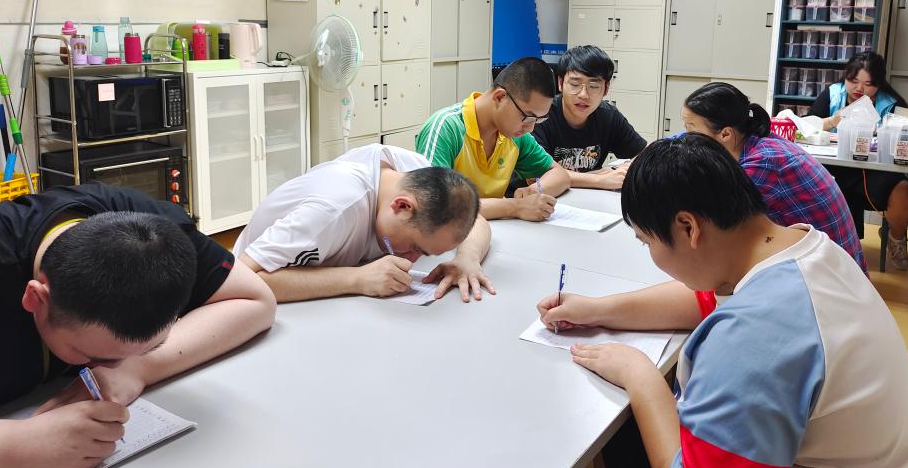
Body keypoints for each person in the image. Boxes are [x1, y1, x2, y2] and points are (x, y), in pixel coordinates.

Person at [538, 135, 908, 468]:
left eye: (647, 242)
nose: (651, 254)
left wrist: (641, 377)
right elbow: (704, 299)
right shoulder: (803, 250)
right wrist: (599, 310)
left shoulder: (757, 329)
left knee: (637, 422)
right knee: (625, 441)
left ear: (688, 228)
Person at [0, 183, 276, 468]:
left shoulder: (146, 231)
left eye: (149, 346)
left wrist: (139, 367)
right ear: (36, 299)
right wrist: (17, 445)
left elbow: (255, 299)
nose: (112, 366)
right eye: (98, 357)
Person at [234, 144, 492, 303]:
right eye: (416, 247)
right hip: (260, 293)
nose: (412, 260)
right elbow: (238, 277)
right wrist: (356, 279)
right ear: (402, 206)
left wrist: (467, 258)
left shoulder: (416, 173)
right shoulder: (333, 208)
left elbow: (472, 219)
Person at [682, 82, 866, 281]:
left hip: (832, 277)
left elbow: (716, 223)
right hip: (834, 264)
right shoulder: (759, 141)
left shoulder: (762, 163)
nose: (686, 138)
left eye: (691, 129)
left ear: (726, 133)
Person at [416, 57, 571, 221]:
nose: (530, 128)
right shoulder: (446, 128)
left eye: (538, 120)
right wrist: (516, 206)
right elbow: (434, 204)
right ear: (500, 97)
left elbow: (560, 175)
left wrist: (534, 190)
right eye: (528, 117)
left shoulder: (515, 136)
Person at [809, 51, 908, 270]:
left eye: (868, 84)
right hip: (835, 169)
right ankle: (833, 247)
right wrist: (831, 121)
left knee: (902, 191)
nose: (859, 88)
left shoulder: (891, 104)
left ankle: (896, 238)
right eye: (853, 81)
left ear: (879, 84)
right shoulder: (833, 94)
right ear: (845, 77)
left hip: (876, 172)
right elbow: (805, 127)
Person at [530, 45, 647, 191]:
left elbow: (645, 155)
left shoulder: (609, 116)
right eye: (575, 84)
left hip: (589, 197)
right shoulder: (541, 115)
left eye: (594, 86)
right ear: (560, 83)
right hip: (542, 197)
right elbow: (540, 173)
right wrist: (599, 178)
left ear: (606, 88)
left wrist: (626, 168)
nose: (583, 94)